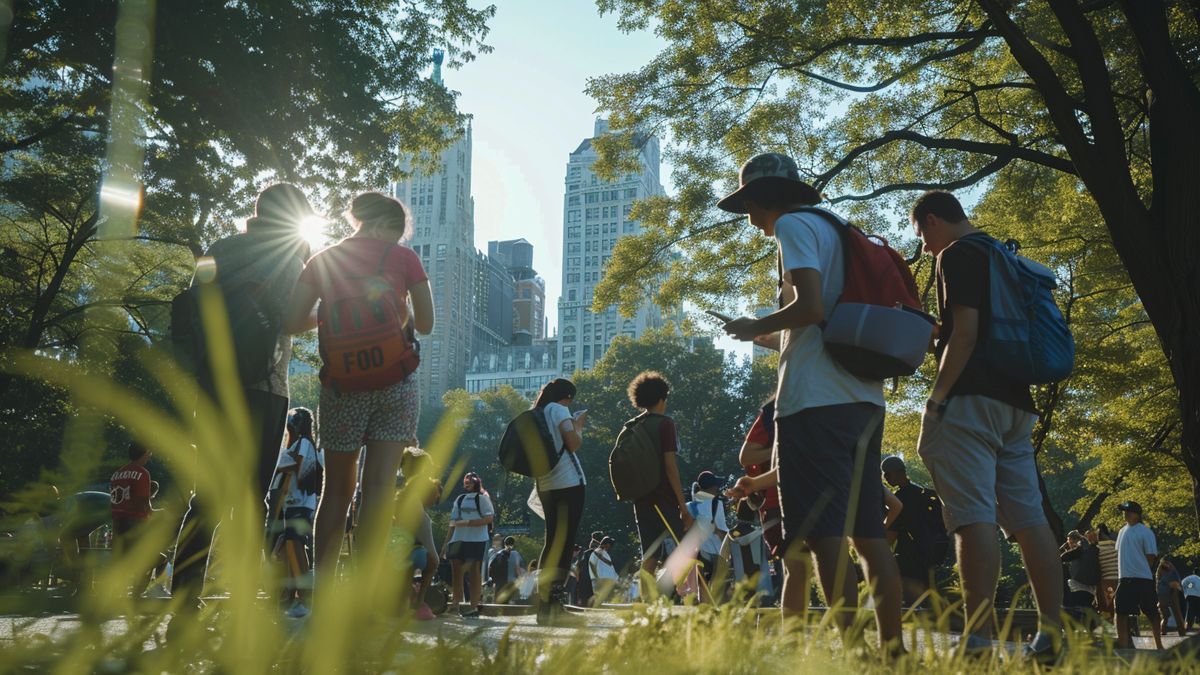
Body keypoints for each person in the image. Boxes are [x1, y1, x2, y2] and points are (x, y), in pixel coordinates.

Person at [720, 153, 903, 653]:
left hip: (813, 404)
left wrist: (753, 324)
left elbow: (812, 306)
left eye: (750, 208)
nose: (752, 220)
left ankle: (856, 653)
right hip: (863, 398)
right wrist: (768, 338)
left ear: (765, 199)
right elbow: (817, 323)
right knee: (868, 534)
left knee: (822, 533)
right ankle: (893, 650)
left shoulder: (794, 226)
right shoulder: (839, 228)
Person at [909, 190, 1064, 660]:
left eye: (922, 238)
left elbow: (969, 334)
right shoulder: (1001, 253)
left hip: (969, 402)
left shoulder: (957, 254)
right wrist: (939, 330)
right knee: (1029, 517)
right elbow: (977, 328)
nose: (926, 249)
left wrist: (935, 401)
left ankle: (977, 639)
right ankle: (1051, 635)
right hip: (1017, 404)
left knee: (972, 516)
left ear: (932, 221)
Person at [171, 183, 313, 619]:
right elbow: (291, 320)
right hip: (263, 389)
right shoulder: (288, 255)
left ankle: (184, 601)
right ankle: (248, 605)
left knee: (207, 495)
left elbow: (194, 310)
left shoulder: (221, 246)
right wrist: (322, 316)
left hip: (212, 385)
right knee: (253, 498)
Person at [283, 191, 434, 595]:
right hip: (396, 384)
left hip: (342, 386)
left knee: (336, 490)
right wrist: (393, 312)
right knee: (379, 489)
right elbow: (428, 324)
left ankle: (323, 592)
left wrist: (331, 314)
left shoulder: (322, 259)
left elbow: (292, 320)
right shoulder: (405, 260)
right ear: (387, 228)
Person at [529, 378, 587, 625]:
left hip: (545, 485)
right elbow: (572, 444)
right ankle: (555, 604)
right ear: (567, 397)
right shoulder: (559, 409)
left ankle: (544, 605)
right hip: (568, 483)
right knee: (564, 543)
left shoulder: (537, 413)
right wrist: (578, 425)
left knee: (551, 541)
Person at [624, 372, 692, 577]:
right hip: (664, 496)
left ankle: (646, 601)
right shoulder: (665, 424)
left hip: (641, 496)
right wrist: (682, 504)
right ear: (662, 398)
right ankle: (703, 598)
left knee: (650, 553)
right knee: (687, 545)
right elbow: (670, 465)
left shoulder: (633, 425)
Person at [267, 407, 323, 618]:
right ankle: (293, 594)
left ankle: (305, 595)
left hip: (303, 503)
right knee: (288, 550)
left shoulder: (305, 444)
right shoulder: (291, 445)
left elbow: (298, 466)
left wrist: (277, 468)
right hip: (289, 504)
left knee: (296, 546)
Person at [880, 455, 948, 608]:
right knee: (929, 595)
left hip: (908, 555)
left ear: (898, 473)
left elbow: (892, 532)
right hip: (931, 552)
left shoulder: (899, 499)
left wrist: (880, 552)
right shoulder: (924, 493)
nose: (885, 478)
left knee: (911, 602)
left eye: (887, 474)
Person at [441, 472, 494, 618]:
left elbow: (489, 518)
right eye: (466, 479)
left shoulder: (483, 498)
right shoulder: (459, 499)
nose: (468, 481)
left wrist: (467, 522)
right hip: (457, 540)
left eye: (471, 479)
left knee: (474, 572)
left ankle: (473, 606)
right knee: (456, 573)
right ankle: (456, 604)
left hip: (476, 540)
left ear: (477, 481)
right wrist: (446, 543)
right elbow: (452, 522)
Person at [398, 447, 441, 620]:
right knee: (426, 561)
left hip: (403, 546)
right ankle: (416, 601)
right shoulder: (420, 490)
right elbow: (423, 522)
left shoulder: (396, 485)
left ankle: (408, 601)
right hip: (410, 548)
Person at [738, 399, 783, 559]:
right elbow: (746, 457)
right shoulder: (773, 410)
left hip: (823, 495)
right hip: (777, 503)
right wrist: (780, 449)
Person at [1114, 500, 1162, 649]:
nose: (1126, 514)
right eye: (1124, 511)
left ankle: (1158, 644)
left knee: (1152, 613)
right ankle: (1122, 644)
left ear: (1137, 514)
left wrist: (1140, 569)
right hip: (1124, 578)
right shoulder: (1122, 531)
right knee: (1120, 612)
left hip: (1143, 579)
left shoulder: (1145, 532)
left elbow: (1151, 556)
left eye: (1129, 511)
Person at [109, 441, 154, 586]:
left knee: (119, 561)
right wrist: (151, 516)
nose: (150, 456)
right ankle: (137, 595)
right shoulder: (142, 473)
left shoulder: (117, 474)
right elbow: (143, 501)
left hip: (117, 521)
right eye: (149, 453)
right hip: (136, 521)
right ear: (144, 453)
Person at [687, 471, 730, 604]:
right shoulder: (717, 504)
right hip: (717, 554)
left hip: (698, 553)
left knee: (703, 593)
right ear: (712, 488)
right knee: (721, 597)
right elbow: (723, 532)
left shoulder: (689, 506)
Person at [1059, 530, 1101, 614]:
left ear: (1071, 541)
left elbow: (1061, 558)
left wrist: (1063, 549)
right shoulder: (1094, 548)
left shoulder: (1079, 549)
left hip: (1078, 587)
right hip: (1093, 588)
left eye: (1069, 542)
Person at [488, 536, 525, 604]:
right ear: (514, 544)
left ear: (504, 544)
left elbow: (491, 568)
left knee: (497, 602)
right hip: (511, 584)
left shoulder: (498, 554)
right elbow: (518, 569)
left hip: (499, 583)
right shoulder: (516, 554)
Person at [1157, 558, 1185, 638]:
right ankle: (1181, 631)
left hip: (1161, 594)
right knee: (1176, 612)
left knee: (1166, 615)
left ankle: (1163, 631)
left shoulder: (1160, 572)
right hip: (1170, 593)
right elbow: (1176, 583)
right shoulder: (1172, 571)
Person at [574, 532, 603, 607]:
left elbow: (577, 566)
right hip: (593, 579)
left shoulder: (585, 553)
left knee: (584, 599)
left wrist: (577, 579)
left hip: (584, 579)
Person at [588, 537, 619, 606]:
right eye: (610, 545)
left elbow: (610, 568)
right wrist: (596, 577)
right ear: (607, 544)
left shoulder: (603, 553)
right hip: (600, 580)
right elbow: (593, 565)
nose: (610, 548)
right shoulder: (598, 552)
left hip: (602, 580)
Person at [1096, 523, 1119, 616]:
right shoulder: (1115, 545)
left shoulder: (1097, 548)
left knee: (1107, 605)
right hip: (1118, 578)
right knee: (1116, 604)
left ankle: (1110, 625)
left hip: (1106, 579)